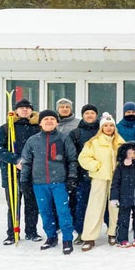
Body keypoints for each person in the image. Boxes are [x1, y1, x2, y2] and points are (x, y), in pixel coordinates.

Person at [20, 109, 78, 255]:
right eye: (46, 119)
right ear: (40, 123)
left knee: (63, 211)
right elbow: (26, 162)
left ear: (57, 122)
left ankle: (67, 239)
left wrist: (72, 177)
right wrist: (24, 180)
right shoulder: (33, 140)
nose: (49, 121)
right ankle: (51, 237)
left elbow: (72, 159)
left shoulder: (64, 139)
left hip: (59, 183)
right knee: (45, 211)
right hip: (39, 183)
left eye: (52, 119)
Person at [0, 97, 41, 245]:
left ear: (31, 111)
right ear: (16, 111)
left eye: (27, 108)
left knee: (32, 204)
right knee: (13, 203)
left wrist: (31, 161)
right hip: (11, 171)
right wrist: (15, 159)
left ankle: (31, 232)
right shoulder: (7, 127)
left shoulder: (38, 127)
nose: (24, 110)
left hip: (32, 172)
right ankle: (12, 233)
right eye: (21, 107)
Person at [77, 113, 125, 251]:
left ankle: (114, 233)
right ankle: (89, 237)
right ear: (101, 128)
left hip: (116, 179)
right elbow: (83, 158)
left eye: (111, 125)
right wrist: (96, 166)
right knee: (95, 207)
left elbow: (127, 157)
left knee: (115, 207)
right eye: (106, 126)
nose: (109, 128)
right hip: (99, 178)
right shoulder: (94, 142)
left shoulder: (120, 142)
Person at [68, 104, 100, 244]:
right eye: (87, 113)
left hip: (101, 174)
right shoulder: (75, 133)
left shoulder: (103, 130)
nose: (90, 115)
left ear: (96, 115)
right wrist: (73, 174)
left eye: (92, 113)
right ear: (82, 115)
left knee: (104, 205)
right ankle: (81, 232)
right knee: (81, 205)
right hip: (82, 176)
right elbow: (71, 155)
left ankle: (112, 231)